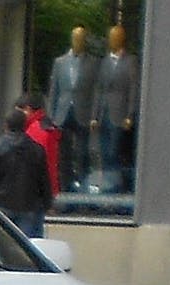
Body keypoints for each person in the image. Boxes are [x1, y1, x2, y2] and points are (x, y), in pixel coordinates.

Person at [0, 109, 52, 238]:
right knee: (29, 248)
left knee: (2, 246)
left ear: (6, 125)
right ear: (25, 126)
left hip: (2, 204)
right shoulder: (37, 150)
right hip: (29, 206)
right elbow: (44, 181)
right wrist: (46, 203)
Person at [47, 24, 97, 192]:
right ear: (71, 39)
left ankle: (83, 192)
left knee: (82, 154)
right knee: (64, 156)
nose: (78, 41)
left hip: (83, 112)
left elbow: (96, 91)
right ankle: (66, 190)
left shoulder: (93, 63)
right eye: (76, 38)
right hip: (63, 113)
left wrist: (94, 116)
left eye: (81, 39)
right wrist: (52, 116)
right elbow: (54, 89)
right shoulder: (60, 62)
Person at [91, 25, 139, 194]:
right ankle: (107, 188)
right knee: (104, 154)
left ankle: (116, 190)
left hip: (119, 114)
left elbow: (133, 89)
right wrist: (94, 116)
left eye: (115, 37)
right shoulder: (104, 62)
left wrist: (130, 115)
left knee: (115, 153)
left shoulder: (130, 61)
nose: (112, 40)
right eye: (110, 37)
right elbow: (98, 89)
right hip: (104, 115)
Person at [16, 91, 62, 199]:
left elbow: (36, 165)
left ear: (27, 109)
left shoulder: (35, 130)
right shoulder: (44, 126)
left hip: (35, 194)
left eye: (19, 112)